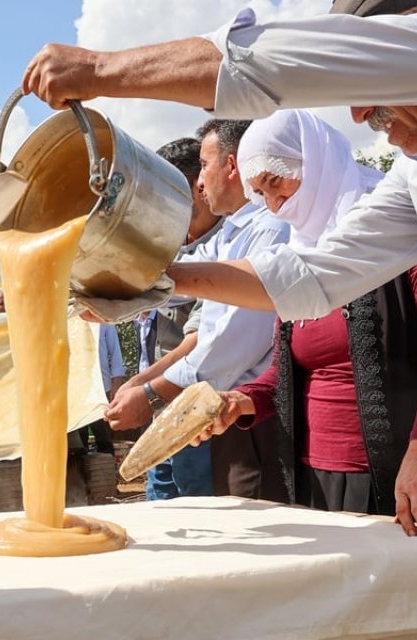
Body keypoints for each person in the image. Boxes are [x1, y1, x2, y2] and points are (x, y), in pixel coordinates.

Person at [20, 1, 417, 635]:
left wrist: (100, 69)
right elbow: (310, 280)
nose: (360, 114)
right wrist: (150, 281)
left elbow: (272, 61)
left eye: (371, 82)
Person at [212, 109, 417, 530]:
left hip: (400, 474)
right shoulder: (300, 253)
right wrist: (243, 400)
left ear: (313, 161)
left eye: (276, 182)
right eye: (260, 193)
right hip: (317, 475)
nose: (274, 203)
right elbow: (293, 367)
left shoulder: (395, 227)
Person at [108, 123, 290, 502]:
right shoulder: (232, 234)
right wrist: (112, 290)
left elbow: (227, 346)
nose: (200, 183)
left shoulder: (269, 232)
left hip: (252, 416)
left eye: (205, 166)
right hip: (223, 412)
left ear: (231, 166)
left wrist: (152, 393)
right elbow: (177, 276)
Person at [81, 323, 126, 454]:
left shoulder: (102, 318)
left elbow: (115, 352)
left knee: (103, 435)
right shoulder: (67, 315)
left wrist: (116, 382)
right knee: (78, 439)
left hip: (101, 388)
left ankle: (106, 471)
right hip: (76, 392)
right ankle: (81, 472)